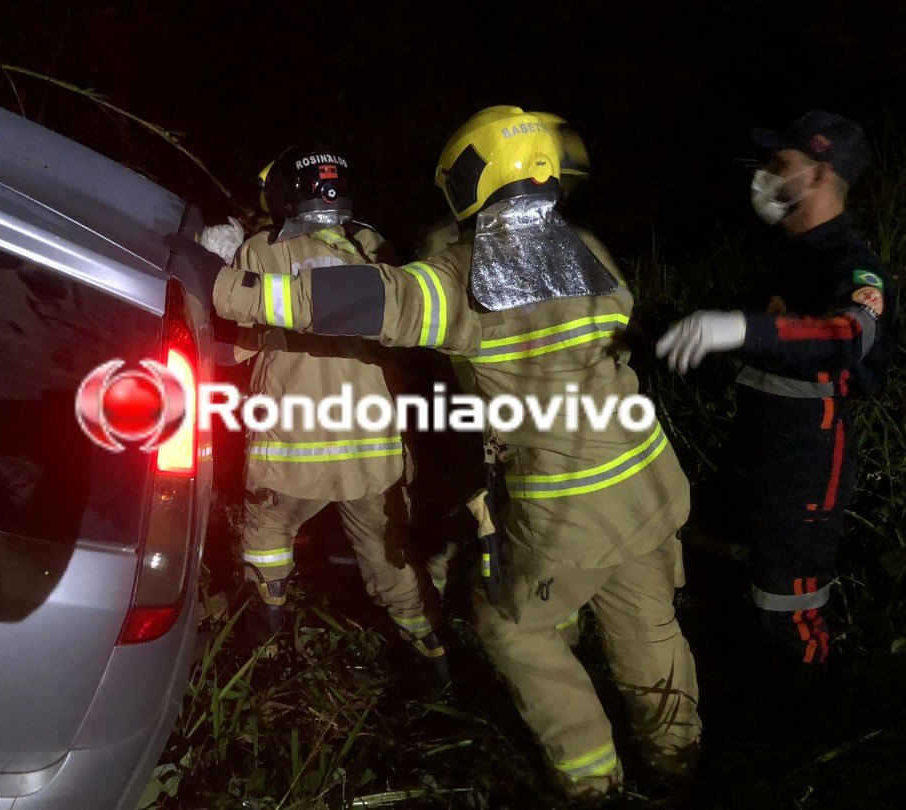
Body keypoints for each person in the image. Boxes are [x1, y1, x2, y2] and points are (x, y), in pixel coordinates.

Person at [208, 107, 701, 802]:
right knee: (650, 623)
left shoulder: (467, 278)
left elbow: (372, 300)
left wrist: (233, 286)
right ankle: (679, 762)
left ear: (474, 175)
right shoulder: (588, 248)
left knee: (508, 625)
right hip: (651, 480)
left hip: (571, 506)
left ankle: (594, 786)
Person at [657, 111, 896, 674]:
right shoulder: (784, 255)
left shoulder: (853, 265)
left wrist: (743, 329)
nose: (761, 175)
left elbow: (849, 335)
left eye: (778, 163)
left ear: (816, 175)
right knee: (710, 560)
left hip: (807, 461)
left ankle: (808, 718)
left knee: (788, 604)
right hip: (753, 448)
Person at [216, 144, 448, 681]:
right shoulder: (372, 247)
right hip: (374, 452)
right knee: (389, 554)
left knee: (268, 538)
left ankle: (265, 652)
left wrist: (217, 264)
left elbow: (240, 347)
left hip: (293, 454)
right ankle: (430, 659)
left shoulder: (260, 251)